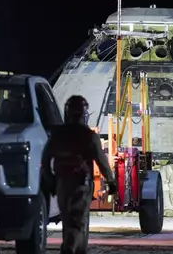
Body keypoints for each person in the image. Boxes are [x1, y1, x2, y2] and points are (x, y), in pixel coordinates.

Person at [41, 95, 117, 254]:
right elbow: (101, 161)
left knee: (68, 220)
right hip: (81, 185)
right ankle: (71, 249)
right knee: (79, 221)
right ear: (84, 113)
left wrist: (51, 181)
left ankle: (72, 247)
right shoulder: (89, 136)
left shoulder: (58, 135)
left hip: (62, 183)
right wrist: (111, 181)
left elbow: (46, 158)